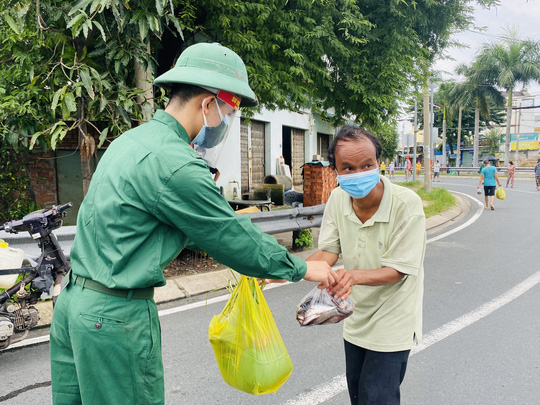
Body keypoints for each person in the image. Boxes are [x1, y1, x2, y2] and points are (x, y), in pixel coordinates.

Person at [49, 42, 339, 405]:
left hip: (74, 305)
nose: (227, 123)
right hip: (113, 319)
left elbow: (148, 225)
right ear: (207, 104)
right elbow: (227, 236)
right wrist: (302, 267)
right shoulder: (178, 164)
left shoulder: (130, 142)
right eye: (229, 112)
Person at [308, 125, 426, 405]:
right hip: (356, 318)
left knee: (377, 400)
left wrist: (352, 276)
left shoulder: (406, 204)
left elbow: (398, 270)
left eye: (366, 164)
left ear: (378, 163)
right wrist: (279, 270)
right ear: (334, 170)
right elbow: (328, 252)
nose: (358, 173)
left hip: (394, 320)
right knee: (360, 397)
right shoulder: (338, 198)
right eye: (347, 168)